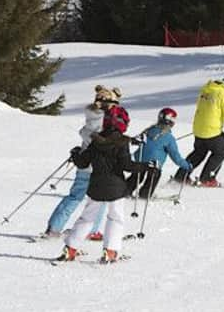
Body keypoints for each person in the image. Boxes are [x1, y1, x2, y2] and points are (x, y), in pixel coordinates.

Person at [54, 105, 156, 263]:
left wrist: (75, 154)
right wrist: (147, 166)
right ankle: (110, 251)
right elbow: (127, 166)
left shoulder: (96, 140)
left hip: (95, 187)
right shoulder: (122, 142)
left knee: (87, 218)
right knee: (115, 218)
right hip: (116, 189)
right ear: (123, 123)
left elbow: (82, 163)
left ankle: (71, 248)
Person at [43, 85, 122, 240]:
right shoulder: (104, 122)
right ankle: (91, 230)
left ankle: (54, 228)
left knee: (75, 197)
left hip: (84, 166)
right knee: (100, 200)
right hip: (99, 167)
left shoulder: (91, 117)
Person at [173, 69, 224, 187]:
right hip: (212, 131)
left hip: (198, 129)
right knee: (220, 151)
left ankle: (180, 176)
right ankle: (206, 179)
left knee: (198, 153)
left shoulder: (207, 88)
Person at [126, 107, 192, 198]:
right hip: (154, 164)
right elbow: (175, 157)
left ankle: (125, 191)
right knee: (153, 176)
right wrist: (186, 165)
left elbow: (136, 140)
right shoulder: (169, 138)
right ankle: (145, 195)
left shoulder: (149, 130)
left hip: (139, 160)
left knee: (137, 176)